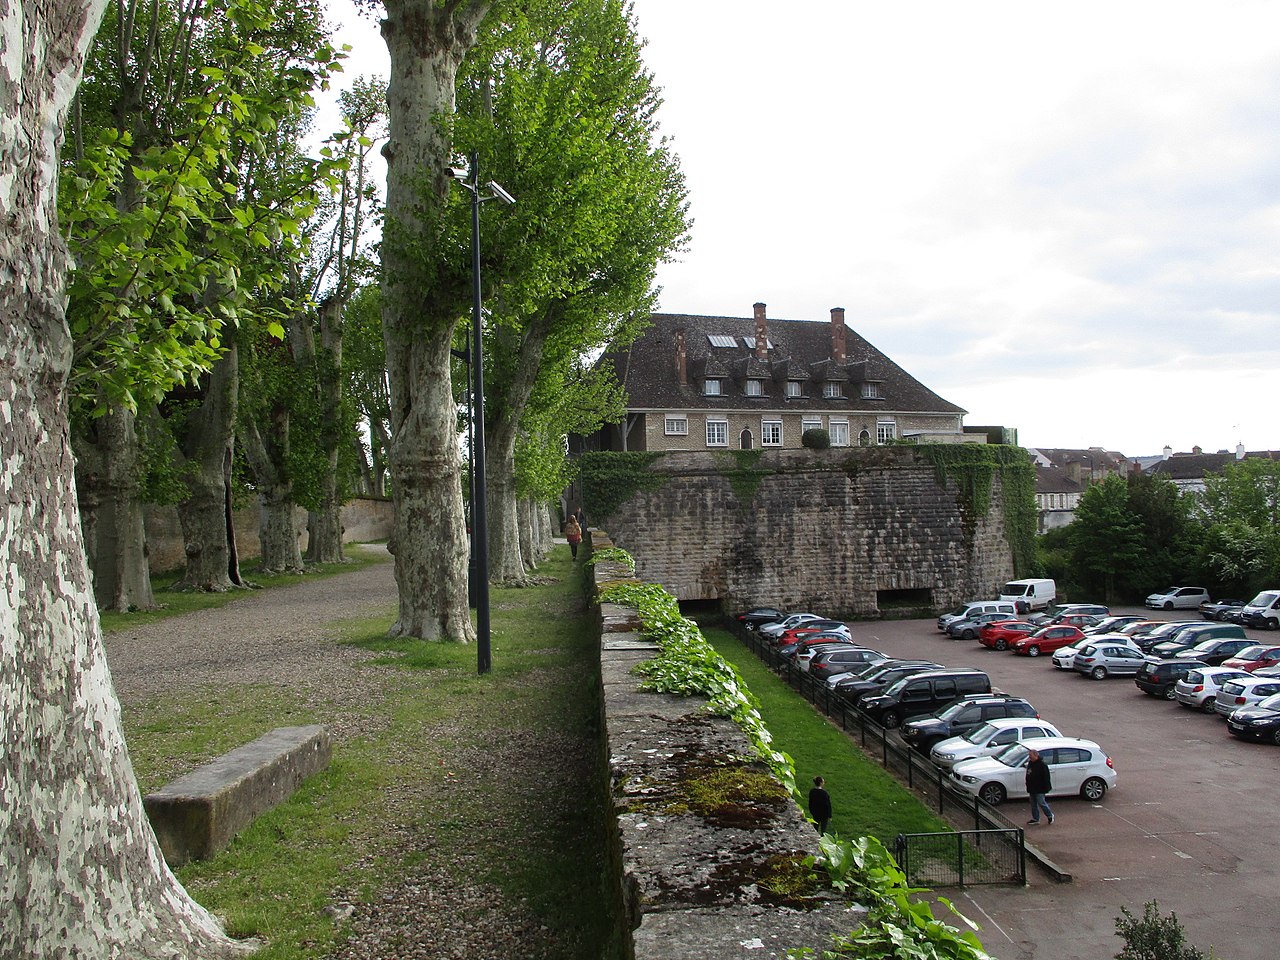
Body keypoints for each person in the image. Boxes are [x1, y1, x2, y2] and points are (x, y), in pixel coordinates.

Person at [1025, 749, 1054, 825]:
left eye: (1030, 755)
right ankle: (1036, 819)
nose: (1029, 757)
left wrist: (1046, 788)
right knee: (1033, 804)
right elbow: (1028, 774)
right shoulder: (1030, 763)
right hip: (1032, 788)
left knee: (1041, 803)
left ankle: (1050, 815)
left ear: (1036, 755)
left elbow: (1046, 778)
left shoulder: (1042, 765)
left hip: (1040, 788)